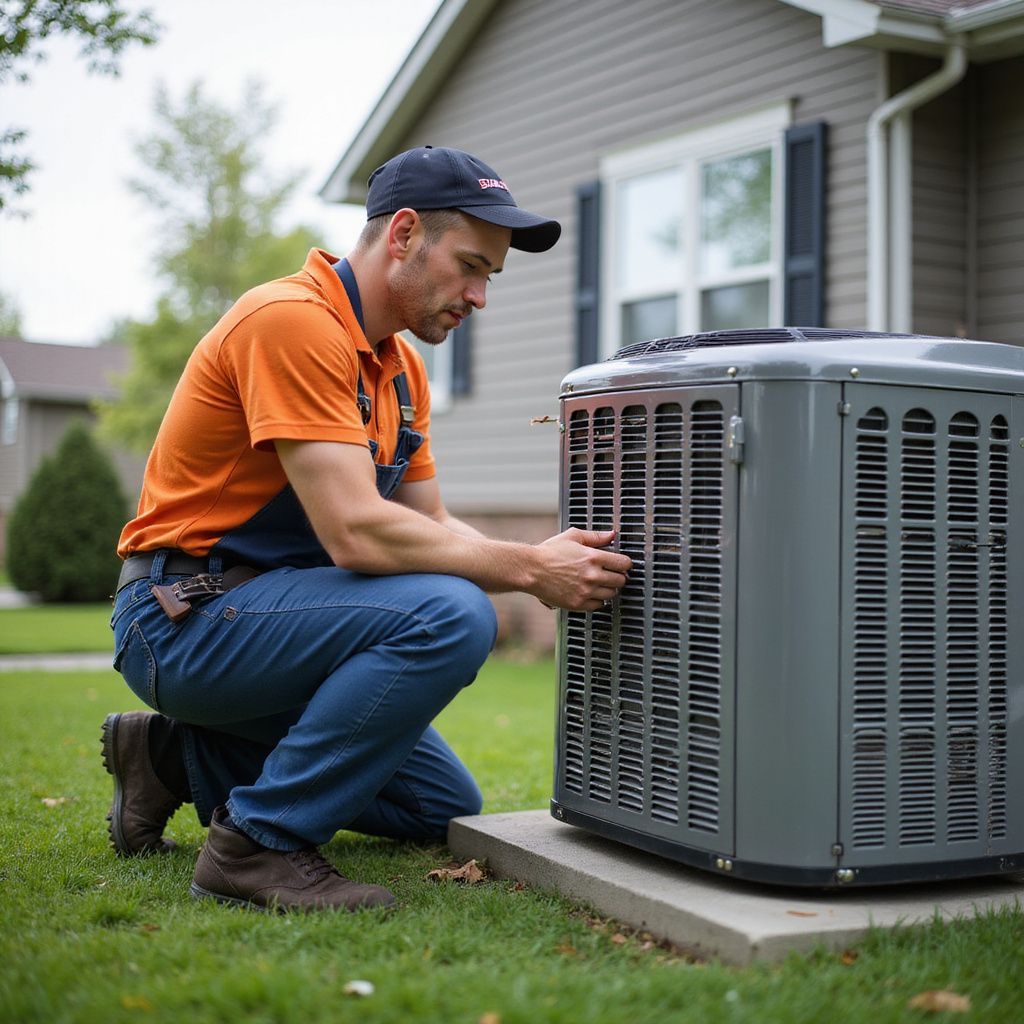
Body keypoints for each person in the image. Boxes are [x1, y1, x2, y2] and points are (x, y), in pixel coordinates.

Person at [104, 145, 631, 913]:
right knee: (453, 615)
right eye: (472, 266)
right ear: (406, 233)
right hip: (183, 617)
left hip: (273, 620)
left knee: (437, 804)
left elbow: (432, 526)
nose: (480, 295)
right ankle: (257, 846)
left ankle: (174, 754)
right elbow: (356, 533)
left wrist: (553, 558)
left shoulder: (400, 372)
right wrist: (524, 568)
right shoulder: (290, 322)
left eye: (492, 276)